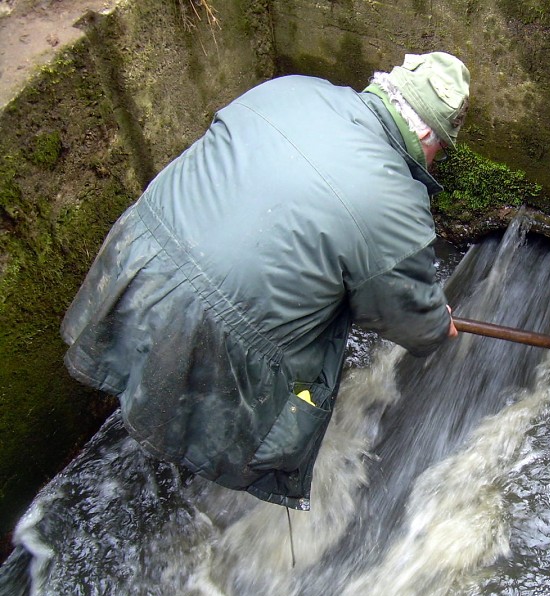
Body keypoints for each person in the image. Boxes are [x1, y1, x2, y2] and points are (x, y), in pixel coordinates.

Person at [60, 52, 470, 510]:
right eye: (440, 148)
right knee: (308, 347)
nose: (435, 162)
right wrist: (439, 325)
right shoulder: (397, 204)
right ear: (422, 132)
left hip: (136, 259)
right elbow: (412, 322)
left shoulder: (291, 89)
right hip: (212, 334)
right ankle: (198, 467)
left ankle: (145, 424)